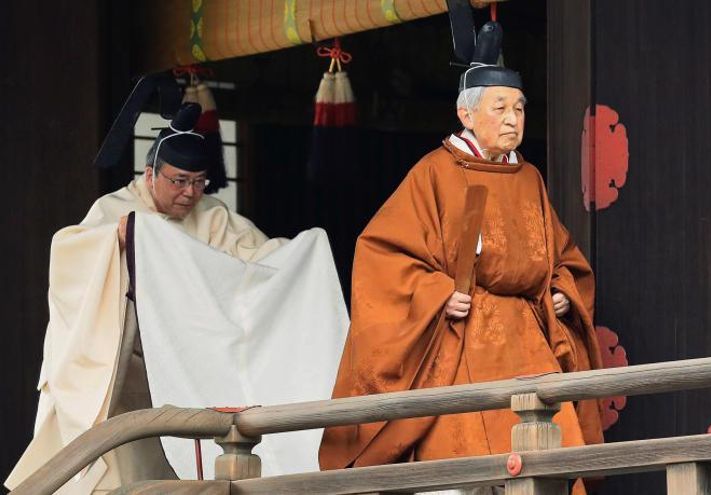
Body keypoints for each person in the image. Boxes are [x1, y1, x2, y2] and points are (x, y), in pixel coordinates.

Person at [319, 43, 605, 494]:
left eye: (519, 108)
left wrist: (562, 289)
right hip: (463, 338)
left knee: (551, 462)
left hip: (529, 338)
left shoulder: (528, 177)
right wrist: (435, 293)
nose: (513, 119)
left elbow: (562, 255)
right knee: (471, 467)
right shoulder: (435, 173)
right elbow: (381, 255)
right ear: (466, 114)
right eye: (500, 108)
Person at [5, 103, 287, 492]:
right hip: (125, 372)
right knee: (117, 472)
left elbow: (259, 264)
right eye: (179, 181)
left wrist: (299, 254)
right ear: (151, 174)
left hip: (187, 366)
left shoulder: (213, 216)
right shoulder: (116, 210)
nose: (190, 193)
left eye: (200, 182)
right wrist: (117, 242)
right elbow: (67, 252)